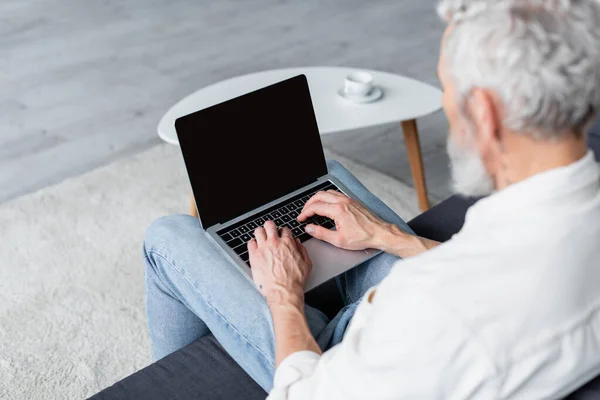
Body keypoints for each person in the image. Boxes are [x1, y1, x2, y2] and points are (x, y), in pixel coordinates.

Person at [143, 0, 600, 397]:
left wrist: (283, 295)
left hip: (360, 361)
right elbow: (500, 272)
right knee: (333, 182)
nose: (447, 108)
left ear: (484, 112)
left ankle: (186, 377)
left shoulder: (431, 301)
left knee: (167, 236)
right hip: (440, 334)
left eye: (448, 92)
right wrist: (388, 236)